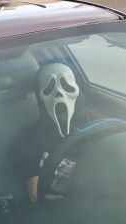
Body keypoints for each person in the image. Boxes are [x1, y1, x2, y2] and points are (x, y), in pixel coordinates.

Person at [14, 63, 91, 204]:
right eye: (49, 88)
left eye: (66, 85)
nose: (59, 94)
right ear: (39, 97)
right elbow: (36, 194)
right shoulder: (28, 139)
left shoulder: (102, 127)